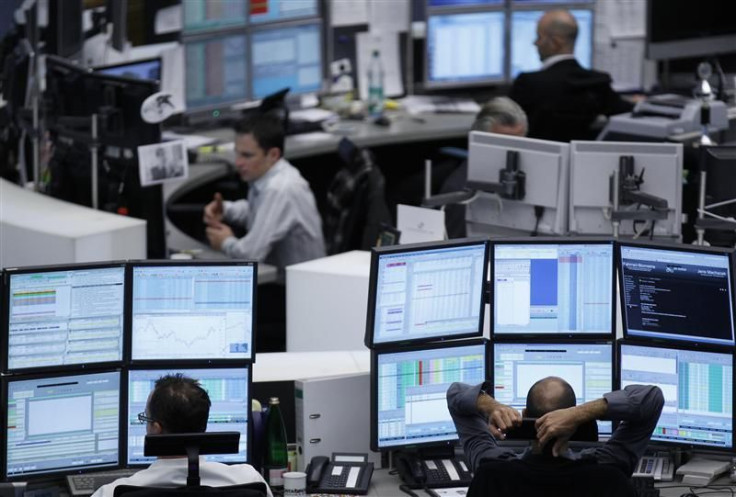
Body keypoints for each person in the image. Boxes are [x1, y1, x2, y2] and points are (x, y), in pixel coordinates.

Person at [92, 374, 272, 497]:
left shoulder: (113, 492)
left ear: (156, 429)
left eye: (146, 418)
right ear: (203, 425)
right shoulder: (249, 480)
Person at [447, 377, 663, 478]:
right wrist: (583, 413)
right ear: (577, 425)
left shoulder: (490, 469)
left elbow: (455, 394)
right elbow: (652, 398)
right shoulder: (610, 469)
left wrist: (493, 406)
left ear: (524, 417)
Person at [204, 113, 325, 273]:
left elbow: (250, 256)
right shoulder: (269, 175)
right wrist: (226, 210)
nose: (238, 163)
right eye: (237, 153)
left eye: (247, 155)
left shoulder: (281, 189)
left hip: (298, 289)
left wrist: (225, 242)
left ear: (273, 155)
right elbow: (259, 210)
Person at [509, 10, 634, 142]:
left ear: (555, 43)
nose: (535, 43)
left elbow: (503, 122)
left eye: (539, 37)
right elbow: (627, 112)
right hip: (581, 160)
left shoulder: (528, 83)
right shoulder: (596, 82)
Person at [438, 97, 528, 238]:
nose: (511, 154)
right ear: (479, 140)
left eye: (518, 143)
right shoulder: (461, 194)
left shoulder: (533, 181)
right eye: (503, 144)